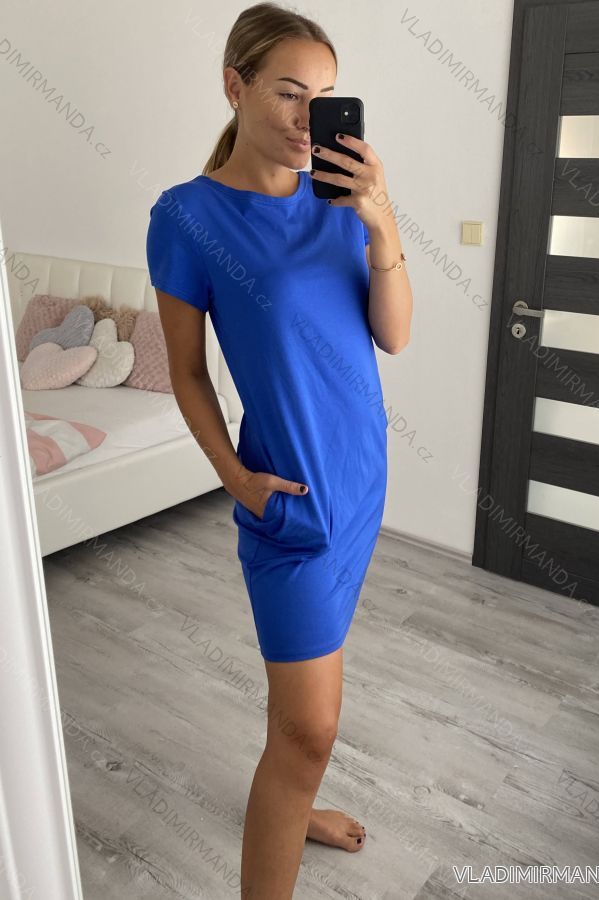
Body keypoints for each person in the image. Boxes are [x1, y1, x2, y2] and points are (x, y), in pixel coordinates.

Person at [145, 3, 412, 896]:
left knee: (308, 711)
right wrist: (235, 479)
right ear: (236, 86)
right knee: (309, 731)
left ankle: (296, 804)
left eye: (325, 98)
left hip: (360, 483)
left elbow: (393, 335)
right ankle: (294, 794)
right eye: (290, 93)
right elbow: (187, 372)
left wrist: (382, 223)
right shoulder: (187, 217)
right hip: (288, 501)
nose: (310, 120)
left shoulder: (343, 202)